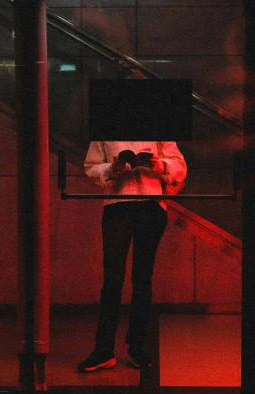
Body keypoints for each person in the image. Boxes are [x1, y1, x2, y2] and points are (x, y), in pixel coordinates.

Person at [77, 141, 187, 372]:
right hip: (117, 206)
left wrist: (157, 164)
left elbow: (180, 167)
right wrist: (115, 167)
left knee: (142, 279)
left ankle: (136, 348)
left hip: (151, 206)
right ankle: (104, 350)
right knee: (112, 279)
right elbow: (91, 167)